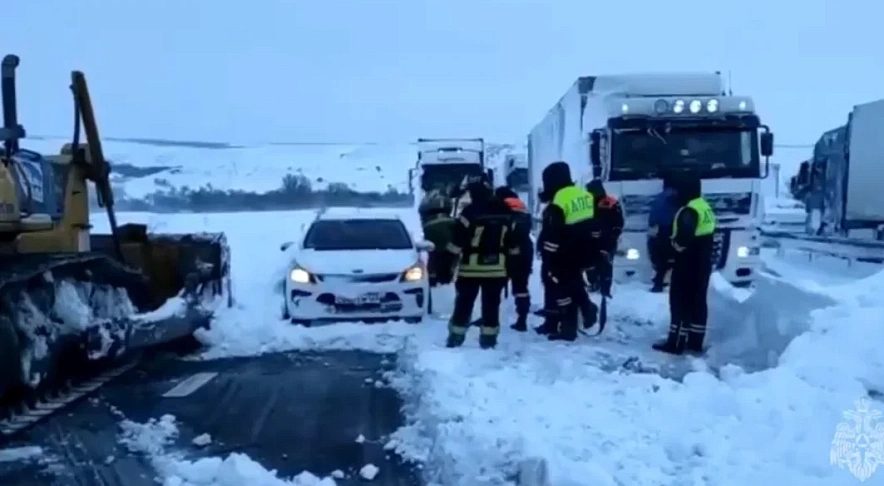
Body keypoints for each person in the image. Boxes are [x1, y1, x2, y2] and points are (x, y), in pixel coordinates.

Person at [445, 175, 524, 349]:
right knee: (491, 306)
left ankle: (456, 338)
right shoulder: (505, 211)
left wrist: (446, 264)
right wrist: (514, 267)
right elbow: (513, 243)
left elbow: (457, 243)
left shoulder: (469, 212)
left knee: (463, 305)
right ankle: (489, 341)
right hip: (497, 269)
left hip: (470, 269)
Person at [652, 175, 716, 355]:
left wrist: (669, 246)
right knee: (698, 303)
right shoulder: (704, 206)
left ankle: (676, 343)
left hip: (687, 264)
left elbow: (682, 241)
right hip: (702, 264)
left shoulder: (689, 211)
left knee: (680, 302)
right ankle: (695, 341)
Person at [535, 161, 597, 341]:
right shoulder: (584, 195)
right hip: (585, 251)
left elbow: (553, 234)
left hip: (564, 253)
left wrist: (548, 257)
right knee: (573, 283)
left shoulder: (558, 201)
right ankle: (576, 312)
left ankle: (568, 328)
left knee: (558, 286)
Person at [494, 186, 534, 332]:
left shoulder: (501, 206)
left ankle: (490, 317)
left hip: (507, 249)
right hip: (525, 249)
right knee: (521, 286)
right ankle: (522, 319)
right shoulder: (522, 207)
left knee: (495, 285)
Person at [647, 175, 678, 292]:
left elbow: (653, 215)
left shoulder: (659, 198)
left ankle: (658, 282)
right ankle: (667, 282)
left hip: (660, 231)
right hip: (672, 229)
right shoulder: (676, 197)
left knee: (662, 259)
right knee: (677, 257)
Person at [420, 191, 457, 287]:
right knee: (447, 254)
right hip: (448, 227)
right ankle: (445, 277)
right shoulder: (445, 200)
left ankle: (433, 277)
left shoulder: (428, 199)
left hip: (431, 228)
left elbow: (422, 212)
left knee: (434, 254)